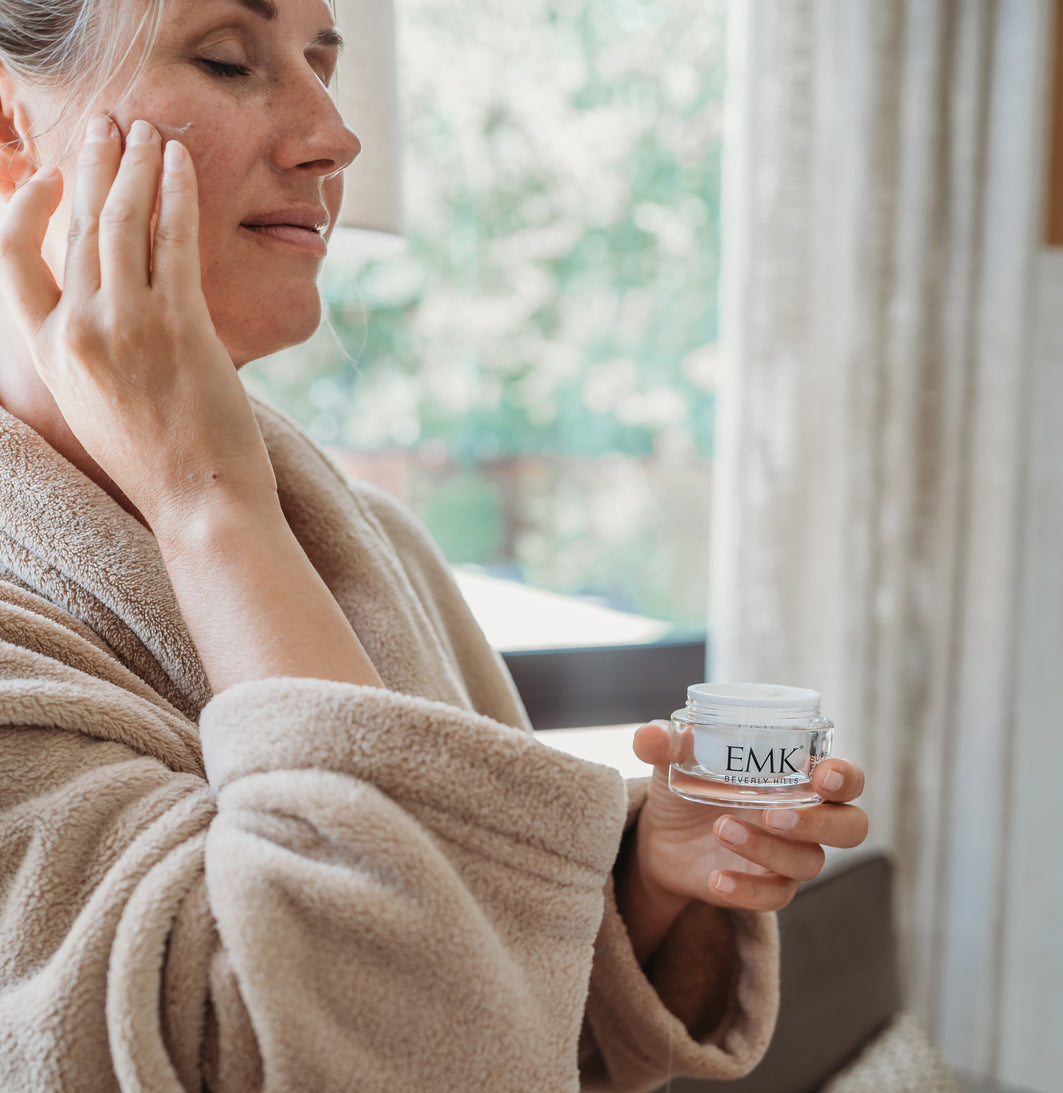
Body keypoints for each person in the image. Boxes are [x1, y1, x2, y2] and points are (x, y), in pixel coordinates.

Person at [0, 1, 869, 1090]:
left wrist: (641, 884)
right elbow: (368, 1040)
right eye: (228, 59)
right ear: (9, 126)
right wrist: (205, 498)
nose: (335, 132)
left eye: (325, 63)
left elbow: (488, 1013)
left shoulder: (376, 548)